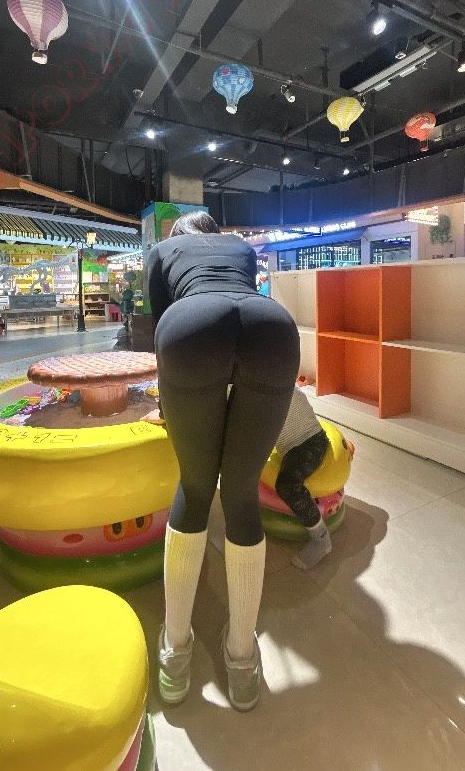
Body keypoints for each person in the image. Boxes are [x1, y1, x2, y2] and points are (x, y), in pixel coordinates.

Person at [147, 212, 299, 712]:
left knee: (195, 488)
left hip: (189, 327)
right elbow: (238, 302)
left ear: (178, 237)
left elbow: (162, 324)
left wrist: (169, 402)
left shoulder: (162, 252)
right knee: (240, 491)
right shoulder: (239, 246)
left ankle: (175, 651)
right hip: (272, 327)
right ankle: (241, 659)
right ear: (212, 232)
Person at [274, 386, 333, 570]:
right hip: (298, 443)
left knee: (287, 485)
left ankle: (321, 538)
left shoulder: (275, 387)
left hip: (310, 442)